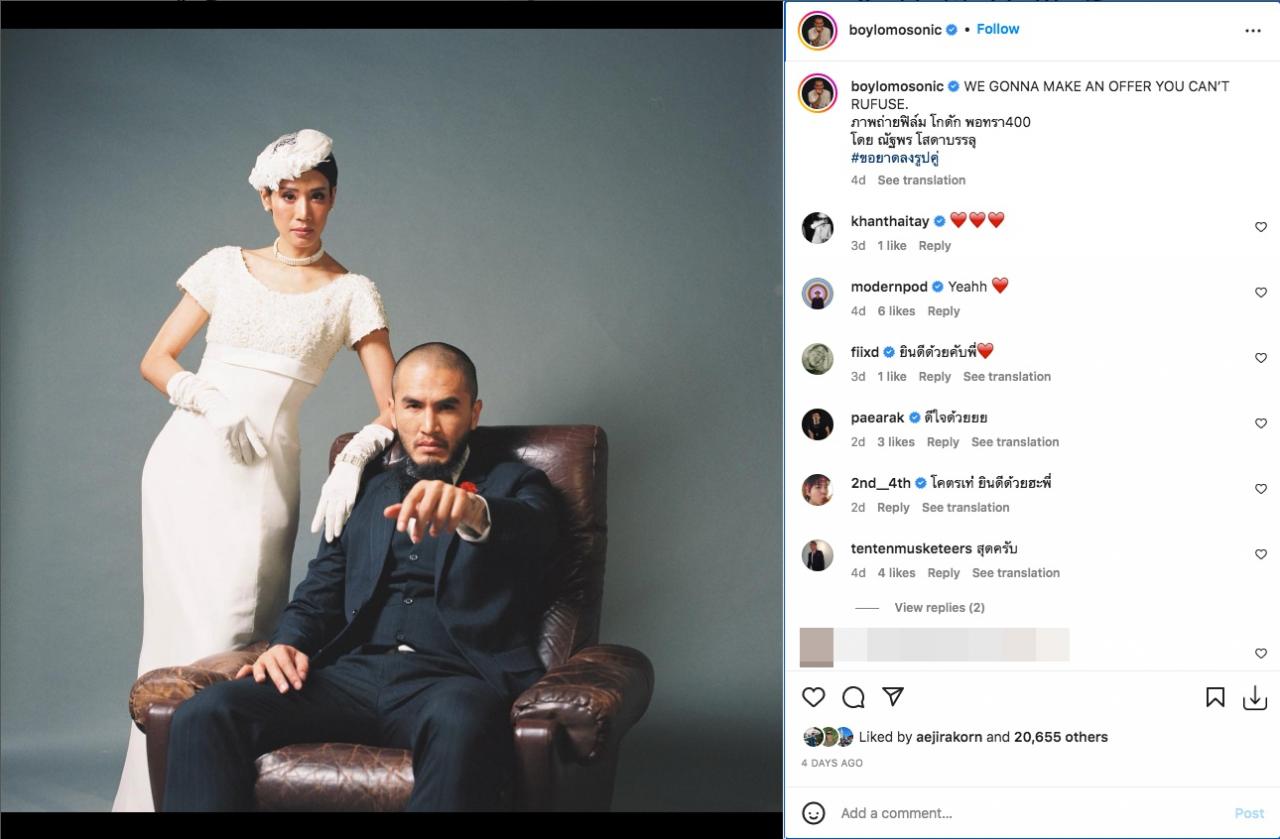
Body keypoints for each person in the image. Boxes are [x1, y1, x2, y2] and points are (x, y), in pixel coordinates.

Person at [113, 130, 400, 811]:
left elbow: (397, 404)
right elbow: (156, 358)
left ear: (334, 200)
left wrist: (356, 455)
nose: (303, 211)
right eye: (288, 195)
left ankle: (219, 792)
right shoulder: (222, 266)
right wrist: (204, 397)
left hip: (263, 477)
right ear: (267, 198)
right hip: (185, 464)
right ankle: (152, 799)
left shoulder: (351, 291)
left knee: (234, 636)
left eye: (317, 196)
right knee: (171, 641)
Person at [163, 343, 559, 811]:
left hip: (453, 681)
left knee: (461, 723)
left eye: (447, 407)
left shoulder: (517, 484)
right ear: (393, 410)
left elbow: (538, 533)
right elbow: (321, 589)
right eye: (413, 406)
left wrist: (475, 511)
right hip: (350, 677)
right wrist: (286, 643)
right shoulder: (367, 492)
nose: (428, 425)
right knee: (206, 713)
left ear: (474, 414)